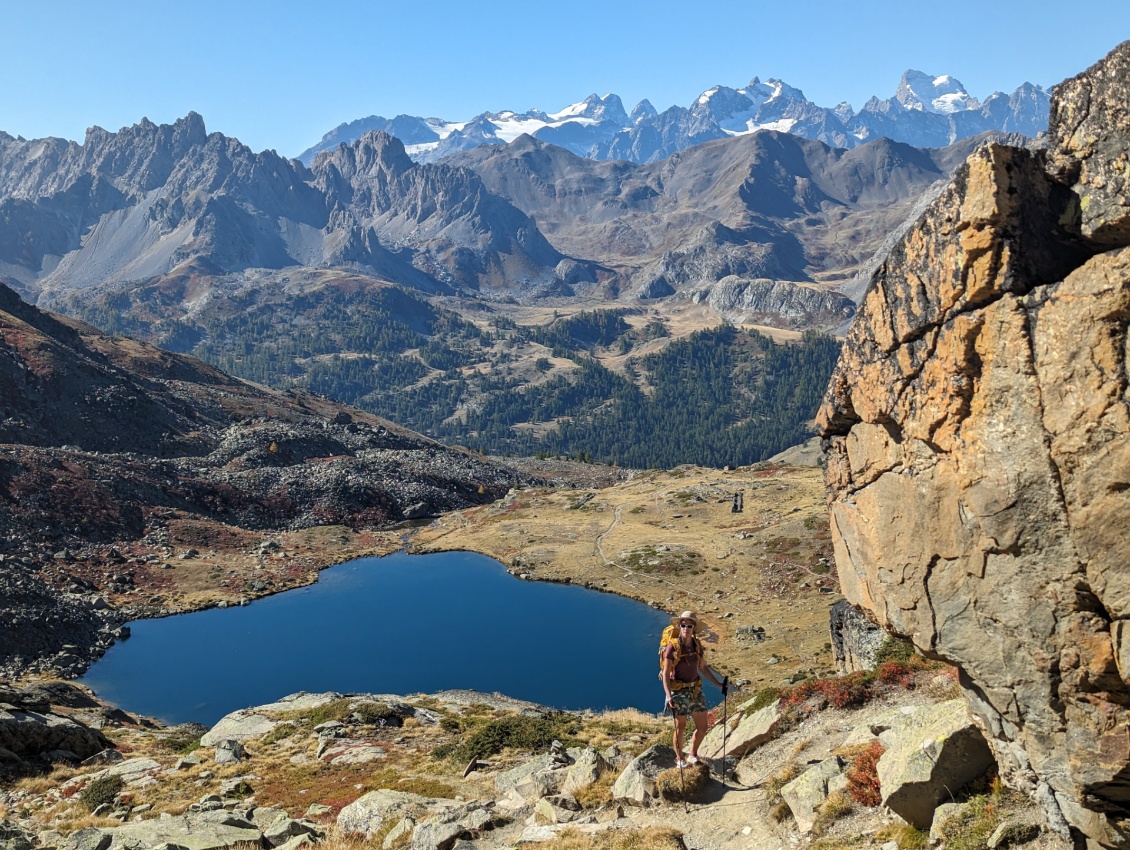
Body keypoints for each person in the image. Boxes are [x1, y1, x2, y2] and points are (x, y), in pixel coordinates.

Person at [662, 610, 727, 767]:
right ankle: (679, 759)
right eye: (683, 625)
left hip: (695, 690)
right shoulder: (672, 647)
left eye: (689, 625)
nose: (686, 628)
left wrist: (718, 684)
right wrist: (669, 696)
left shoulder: (697, 646)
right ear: (680, 626)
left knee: (703, 727)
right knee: (681, 726)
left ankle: (692, 754)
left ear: (694, 628)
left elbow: (702, 667)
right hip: (678, 691)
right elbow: (665, 674)